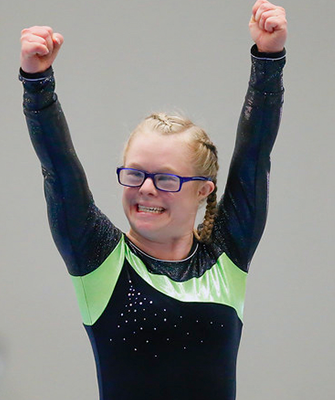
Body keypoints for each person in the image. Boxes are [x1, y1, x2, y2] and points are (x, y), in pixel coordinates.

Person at [19, 0, 287, 399]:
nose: (146, 188)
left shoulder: (227, 256)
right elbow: (59, 169)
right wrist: (37, 81)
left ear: (203, 190)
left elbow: (255, 155)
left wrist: (270, 58)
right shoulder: (99, 259)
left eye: (165, 179)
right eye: (136, 174)